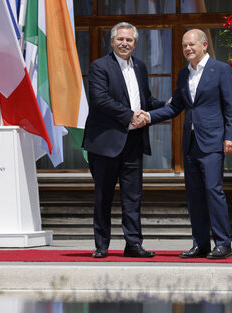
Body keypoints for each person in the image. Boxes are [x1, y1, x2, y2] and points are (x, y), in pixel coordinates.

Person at [140, 29, 232, 259]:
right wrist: (149, 116)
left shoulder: (221, 70)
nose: (187, 49)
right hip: (191, 143)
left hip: (213, 141)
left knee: (213, 191)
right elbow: (176, 107)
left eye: (192, 45)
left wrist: (230, 136)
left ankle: (223, 244)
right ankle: (201, 244)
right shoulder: (184, 75)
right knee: (194, 195)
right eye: (184, 45)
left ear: (204, 45)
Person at [82, 22, 167, 258]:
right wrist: (131, 115)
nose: (124, 43)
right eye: (120, 39)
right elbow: (100, 100)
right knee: (103, 196)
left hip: (133, 142)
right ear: (112, 41)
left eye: (129, 40)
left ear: (135, 43)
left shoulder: (140, 67)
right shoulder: (100, 67)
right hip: (105, 144)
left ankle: (133, 244)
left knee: (133, 196)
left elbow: (145, 100)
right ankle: (101, 245)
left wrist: (167, 105)